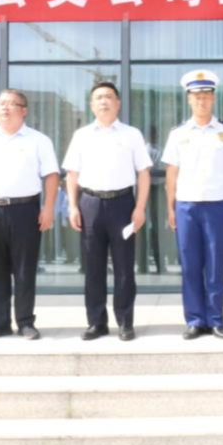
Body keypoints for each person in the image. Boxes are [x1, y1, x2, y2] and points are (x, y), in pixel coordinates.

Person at [0, 89, 60, 341]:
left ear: (23, 110)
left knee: (24, 269)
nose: (4, 108)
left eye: (11, 104)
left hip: (25, 211)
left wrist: (48, 207)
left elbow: (51, 175)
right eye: (1, 104)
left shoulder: (38, 140)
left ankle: (25, 322)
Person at [62, 81, 152, 341]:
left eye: (109, 97)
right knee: (93, 267)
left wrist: (140, 208)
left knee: (124, 267)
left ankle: (125, 322)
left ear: (118, 103)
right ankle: (96, 322)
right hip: (90, 204)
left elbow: (143, 173)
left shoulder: (132, 134)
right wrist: (72, 206)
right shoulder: (81, 135)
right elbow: (72, 174)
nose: (104, 101)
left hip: (122, 205)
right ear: (91, 105)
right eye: (98, 97)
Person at [162, 70, 223, 340]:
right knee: (190, 265)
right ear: (189, 99)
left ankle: (216, 320)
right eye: (197, 96)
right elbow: (171, 172)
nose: (202, 100)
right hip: (186, 205)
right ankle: (195, 320)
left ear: (214, 98)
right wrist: (170, 207)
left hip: (217, 205)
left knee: (216, 264)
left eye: (207, 95)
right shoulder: (178, 133)